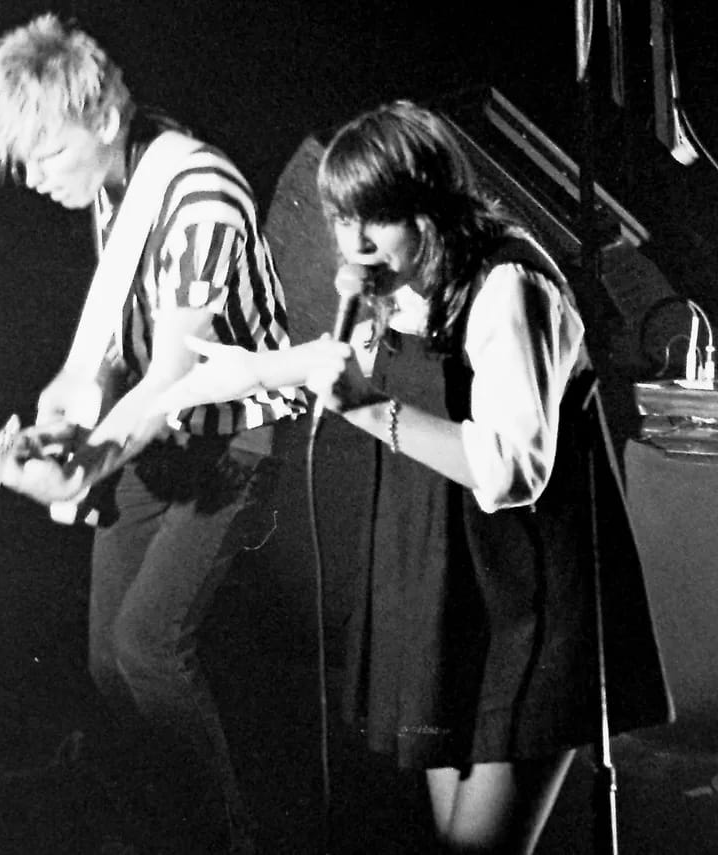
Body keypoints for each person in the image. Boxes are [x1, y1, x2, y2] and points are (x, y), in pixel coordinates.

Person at [151, 100, 672, 854]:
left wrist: (368, 412)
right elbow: (336, 365)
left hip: (530, 600)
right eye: (341, 219)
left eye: (378, 218)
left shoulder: (509, 290)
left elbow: (509, 469)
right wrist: (219, 379)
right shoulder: (395, 285)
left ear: (431, 210)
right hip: (445, 592)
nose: (355, 243)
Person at [0, 12, 302, 855]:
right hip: (161, 435)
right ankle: (166, 828)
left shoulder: (200, 196)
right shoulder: (118, 180)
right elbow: (122, 348)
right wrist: (62, 423)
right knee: (106, 659)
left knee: (147, 647)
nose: (36, 179)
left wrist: (81, 465)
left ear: (104, 122)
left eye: (47, 154)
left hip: (232, 437)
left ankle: (227, 840)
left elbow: (173, 379)